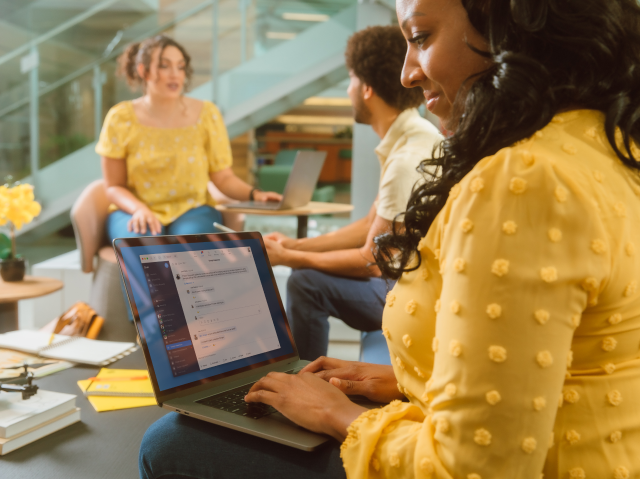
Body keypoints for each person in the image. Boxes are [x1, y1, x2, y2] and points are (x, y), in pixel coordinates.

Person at [139, 0, 640, 478]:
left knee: (166, 444)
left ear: (511, 31)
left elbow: (472, 469)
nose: (406, 73)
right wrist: (404, 385)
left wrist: (339, 416)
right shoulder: (608, 145)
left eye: (420, 37)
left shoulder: (522, 178)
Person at [264, 25, 442, 361]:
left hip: (412, 293)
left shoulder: (406, 160)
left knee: (304, 283)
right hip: (409, 278)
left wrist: (288, 258)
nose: (348, 90)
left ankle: (303, 379)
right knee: (305, 274)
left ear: (368, 90)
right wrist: (290, 244)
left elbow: (372, 262)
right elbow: (369, 227)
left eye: (351, 79)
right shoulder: (411, 137)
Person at [96, 35, 281, 242]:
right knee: (144, 243)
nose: (175, 75)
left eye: (181, 67)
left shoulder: (207, 114)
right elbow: (114, 186)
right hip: (133, 210)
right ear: (143, 70)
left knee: (187, 247)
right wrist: (139, 209)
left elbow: (223, 178)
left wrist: (255, 194)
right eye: (165, 66)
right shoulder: (120, 117)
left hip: (193, 209)